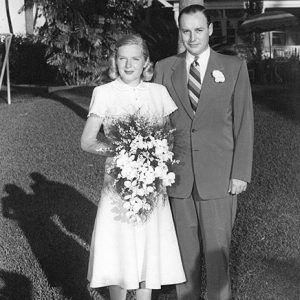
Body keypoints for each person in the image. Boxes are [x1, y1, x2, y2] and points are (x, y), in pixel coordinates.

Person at [153, 5, 254, 300]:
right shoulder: (164, 68)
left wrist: (240, 173)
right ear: (179, 31)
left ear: (210, 30)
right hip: (179, 179)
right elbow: (157, 124)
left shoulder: (233, 67)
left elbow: (244, 123)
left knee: (217, 259)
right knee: (185, 261)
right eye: (186, 31)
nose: (192, 37)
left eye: (199, 30)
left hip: (220, 179)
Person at [80, 34, 186, 300]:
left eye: (135, 59)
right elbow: (88, 141)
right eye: (122, 58)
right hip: (118, 184)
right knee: (119, 244)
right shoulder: (103, 93)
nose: (129, 65)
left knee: (148, 245)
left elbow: (170, 137)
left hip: (151, 184)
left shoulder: (158, 93)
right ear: (115, 61)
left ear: (145, 62)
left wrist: (156, 159)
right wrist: (122, 152)